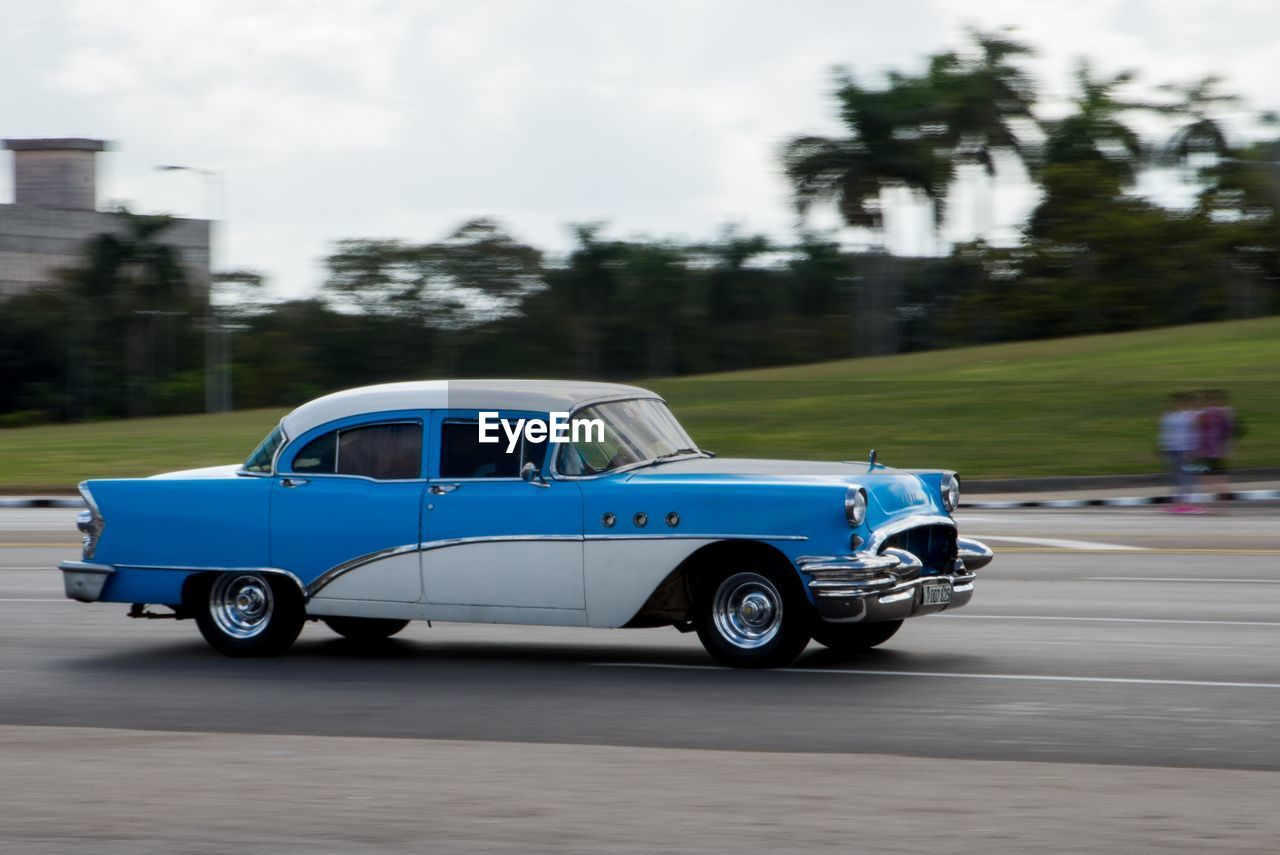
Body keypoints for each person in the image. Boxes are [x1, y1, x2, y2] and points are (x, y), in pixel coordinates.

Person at [1157, 392, 1201, 514]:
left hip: (1179, 450)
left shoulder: (1172, 416)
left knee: (1182, 477)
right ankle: (1182, 504)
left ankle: (1182, 504)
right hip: (1179, 450)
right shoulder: (1178, 416)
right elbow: (1165, 434)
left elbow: (1165, 435)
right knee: (1182, 477)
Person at [1196, 388, 1236, 504]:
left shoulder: (1220, 414)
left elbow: (1228, 431)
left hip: (1214, 451)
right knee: (1210, 476)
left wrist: (1226, 446)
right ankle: (1215, 504)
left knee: (1216, 477)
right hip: (1209, 451)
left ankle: (1220, 503)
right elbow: (1200, 431)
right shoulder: (1205, 414)